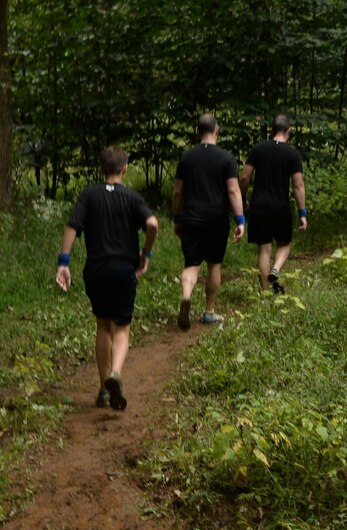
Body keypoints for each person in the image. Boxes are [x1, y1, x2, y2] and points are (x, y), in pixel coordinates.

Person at [55, 145, 160, 411]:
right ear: (125, 168)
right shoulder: (132, 197)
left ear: (102, 169)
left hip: (96, 270)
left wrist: (63, 263)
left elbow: (72, 227)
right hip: (123, 269)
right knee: (121, 328)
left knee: (103, 326)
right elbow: (153, 224)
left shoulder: (89, 195)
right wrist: (146, 252)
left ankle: (103, 389)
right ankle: (115, 372)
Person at [172, 113, 246, 329]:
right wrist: (240, 219)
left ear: (197, 131)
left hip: (191, 219)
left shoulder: (186, 157)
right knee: (214, 264)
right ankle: (209, 312)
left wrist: (178, 217)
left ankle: (187, 295)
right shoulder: (227, 158)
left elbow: (178, 192)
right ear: (217, 131)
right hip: (217, 219)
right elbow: (233, 190)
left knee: (192, 264)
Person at [241, 115, 309, 294]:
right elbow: (298, 185)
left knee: (264, 250)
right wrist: (302, 212)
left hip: (259, 206)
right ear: (289, 131)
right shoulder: (292, 154)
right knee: (284, 244)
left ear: (271, 130)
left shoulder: (258, 149)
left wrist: (242, 199)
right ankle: (276, 269)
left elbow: (245, 176)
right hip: (280, 207)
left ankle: (265, 292)